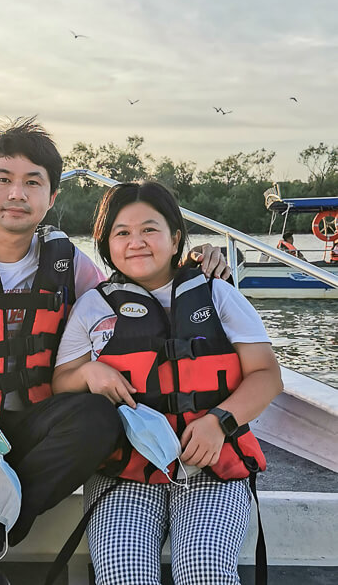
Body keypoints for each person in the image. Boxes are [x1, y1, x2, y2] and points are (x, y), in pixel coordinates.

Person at [0, 119, 229, 585]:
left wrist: (189, 263)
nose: (17, 193)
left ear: (52, 196)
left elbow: (135, 294)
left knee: (98, 419)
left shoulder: (68, 264)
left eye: (33, 182)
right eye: (3, 179)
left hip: (32, 429)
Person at [53, 181, 283, 585]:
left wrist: (219, 422)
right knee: (123, 574)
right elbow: (61, 382)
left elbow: (267, 375)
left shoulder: (217, 293)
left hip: (210, 465)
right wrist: (88, 372)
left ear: (176, 237)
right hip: (123, 471)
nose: (136, 242)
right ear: (106, 243)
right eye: (122, 232)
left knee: (204, 569)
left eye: (149, 229)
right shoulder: (94, 306)